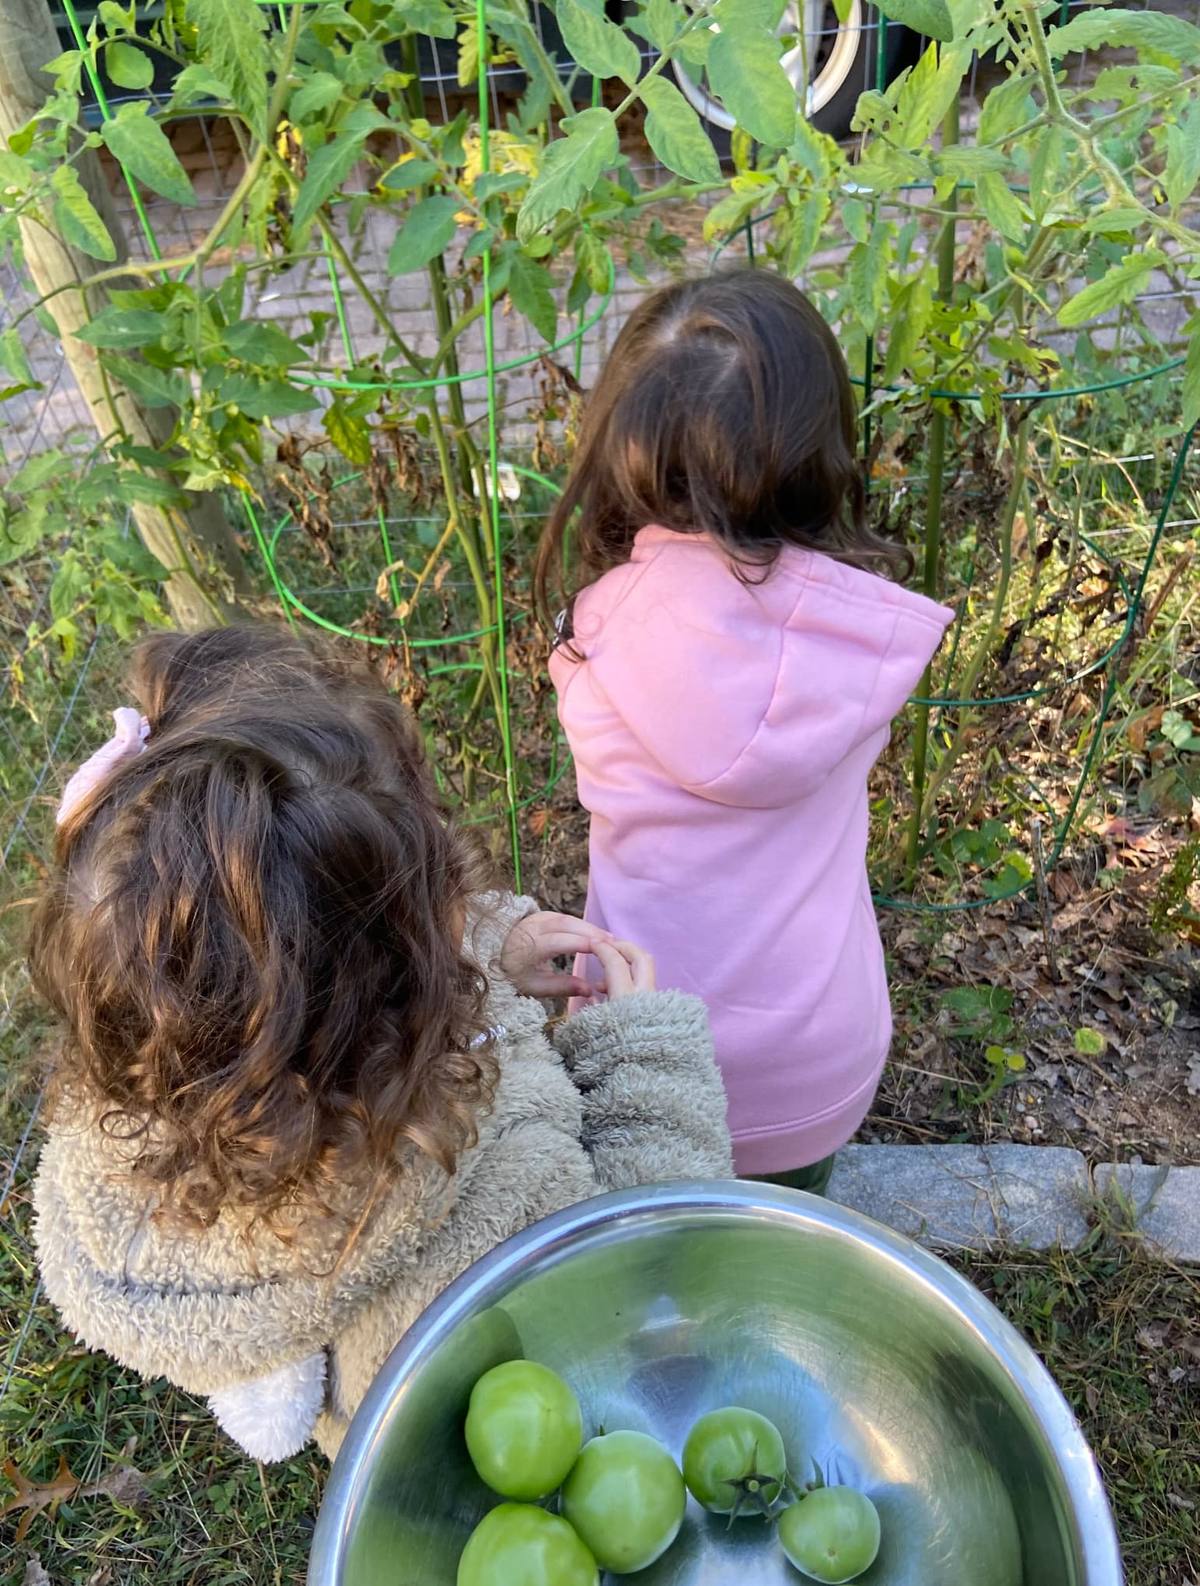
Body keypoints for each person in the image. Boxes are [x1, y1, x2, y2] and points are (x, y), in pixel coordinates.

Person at [29, 626, 731, 1462]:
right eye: (441, 901)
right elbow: (640, 1271)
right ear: (406, 1002)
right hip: (534, 1420)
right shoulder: (473, 1214)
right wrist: (641, 1057)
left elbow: (307, 964)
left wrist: (487, 949)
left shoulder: (152, 1097)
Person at [537, 269, 953, 1193]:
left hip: (645, 1044)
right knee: (774, 1257)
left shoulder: (598, 634)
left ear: (620, 444)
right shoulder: (862, 639)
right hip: (819, 1059)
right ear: (821, 446)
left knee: (657, 1271)